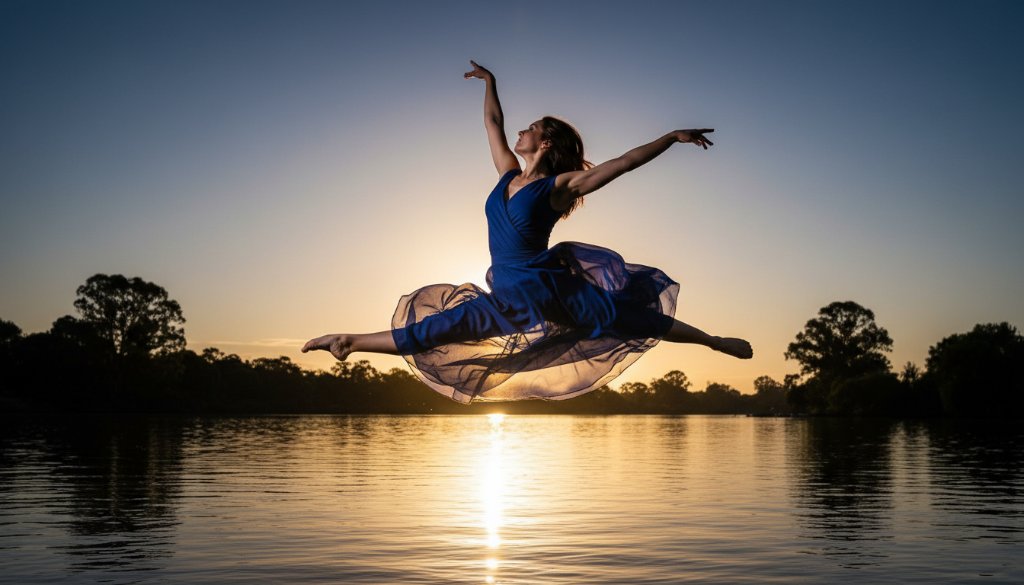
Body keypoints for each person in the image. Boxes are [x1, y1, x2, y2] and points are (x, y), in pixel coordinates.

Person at [303, 60, 752, 403]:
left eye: (531, 128)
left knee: (628, 316)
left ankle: (713, 341)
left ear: (546, 142)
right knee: (439, 328)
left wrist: (671, 138)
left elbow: (624, 163)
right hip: (508, 294)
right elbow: (493, 124)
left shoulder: (559, 187)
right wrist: (490, 82)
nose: (521, 130)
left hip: (543, 286)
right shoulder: (507, 174)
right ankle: (349, 342)